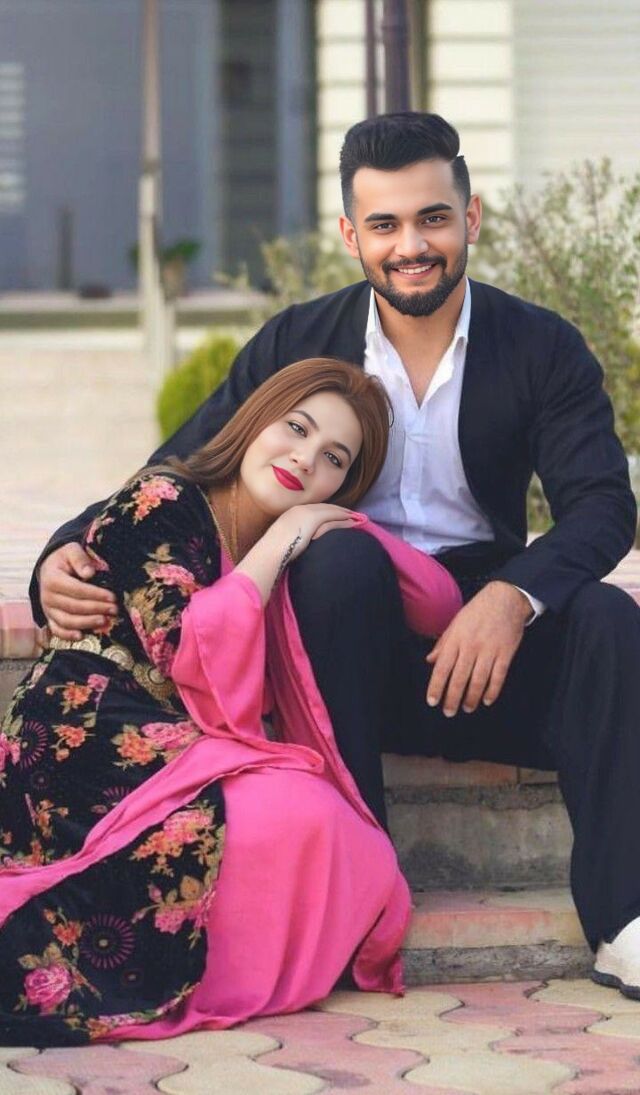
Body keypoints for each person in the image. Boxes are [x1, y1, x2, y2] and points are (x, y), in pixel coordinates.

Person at [30, 113, 640, 998]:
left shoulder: (541, 346)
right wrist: (65, 551)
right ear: (353, 235)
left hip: (482, 652)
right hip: (336, 657)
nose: (411, 246)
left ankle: (624, 920)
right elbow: (182, 465)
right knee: (338, 563)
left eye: (432, 218)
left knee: (609, 617)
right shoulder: (301, 339)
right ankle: (364, 886)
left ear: (470, 219)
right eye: (385, 225)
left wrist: (511, 596)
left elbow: (604, 505)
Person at [0, 357, 464, 1045]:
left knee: (337, 832)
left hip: (172, 742)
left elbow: (438, 601)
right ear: (255, 420)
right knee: (308, 815)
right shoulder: (164, 497)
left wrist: (339, 521)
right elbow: (188, 653)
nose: (304, 458)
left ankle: (212, 964)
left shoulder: (285, 533)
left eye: (333, 459)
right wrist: (282, 539)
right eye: (296, 428)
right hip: (84, 739)